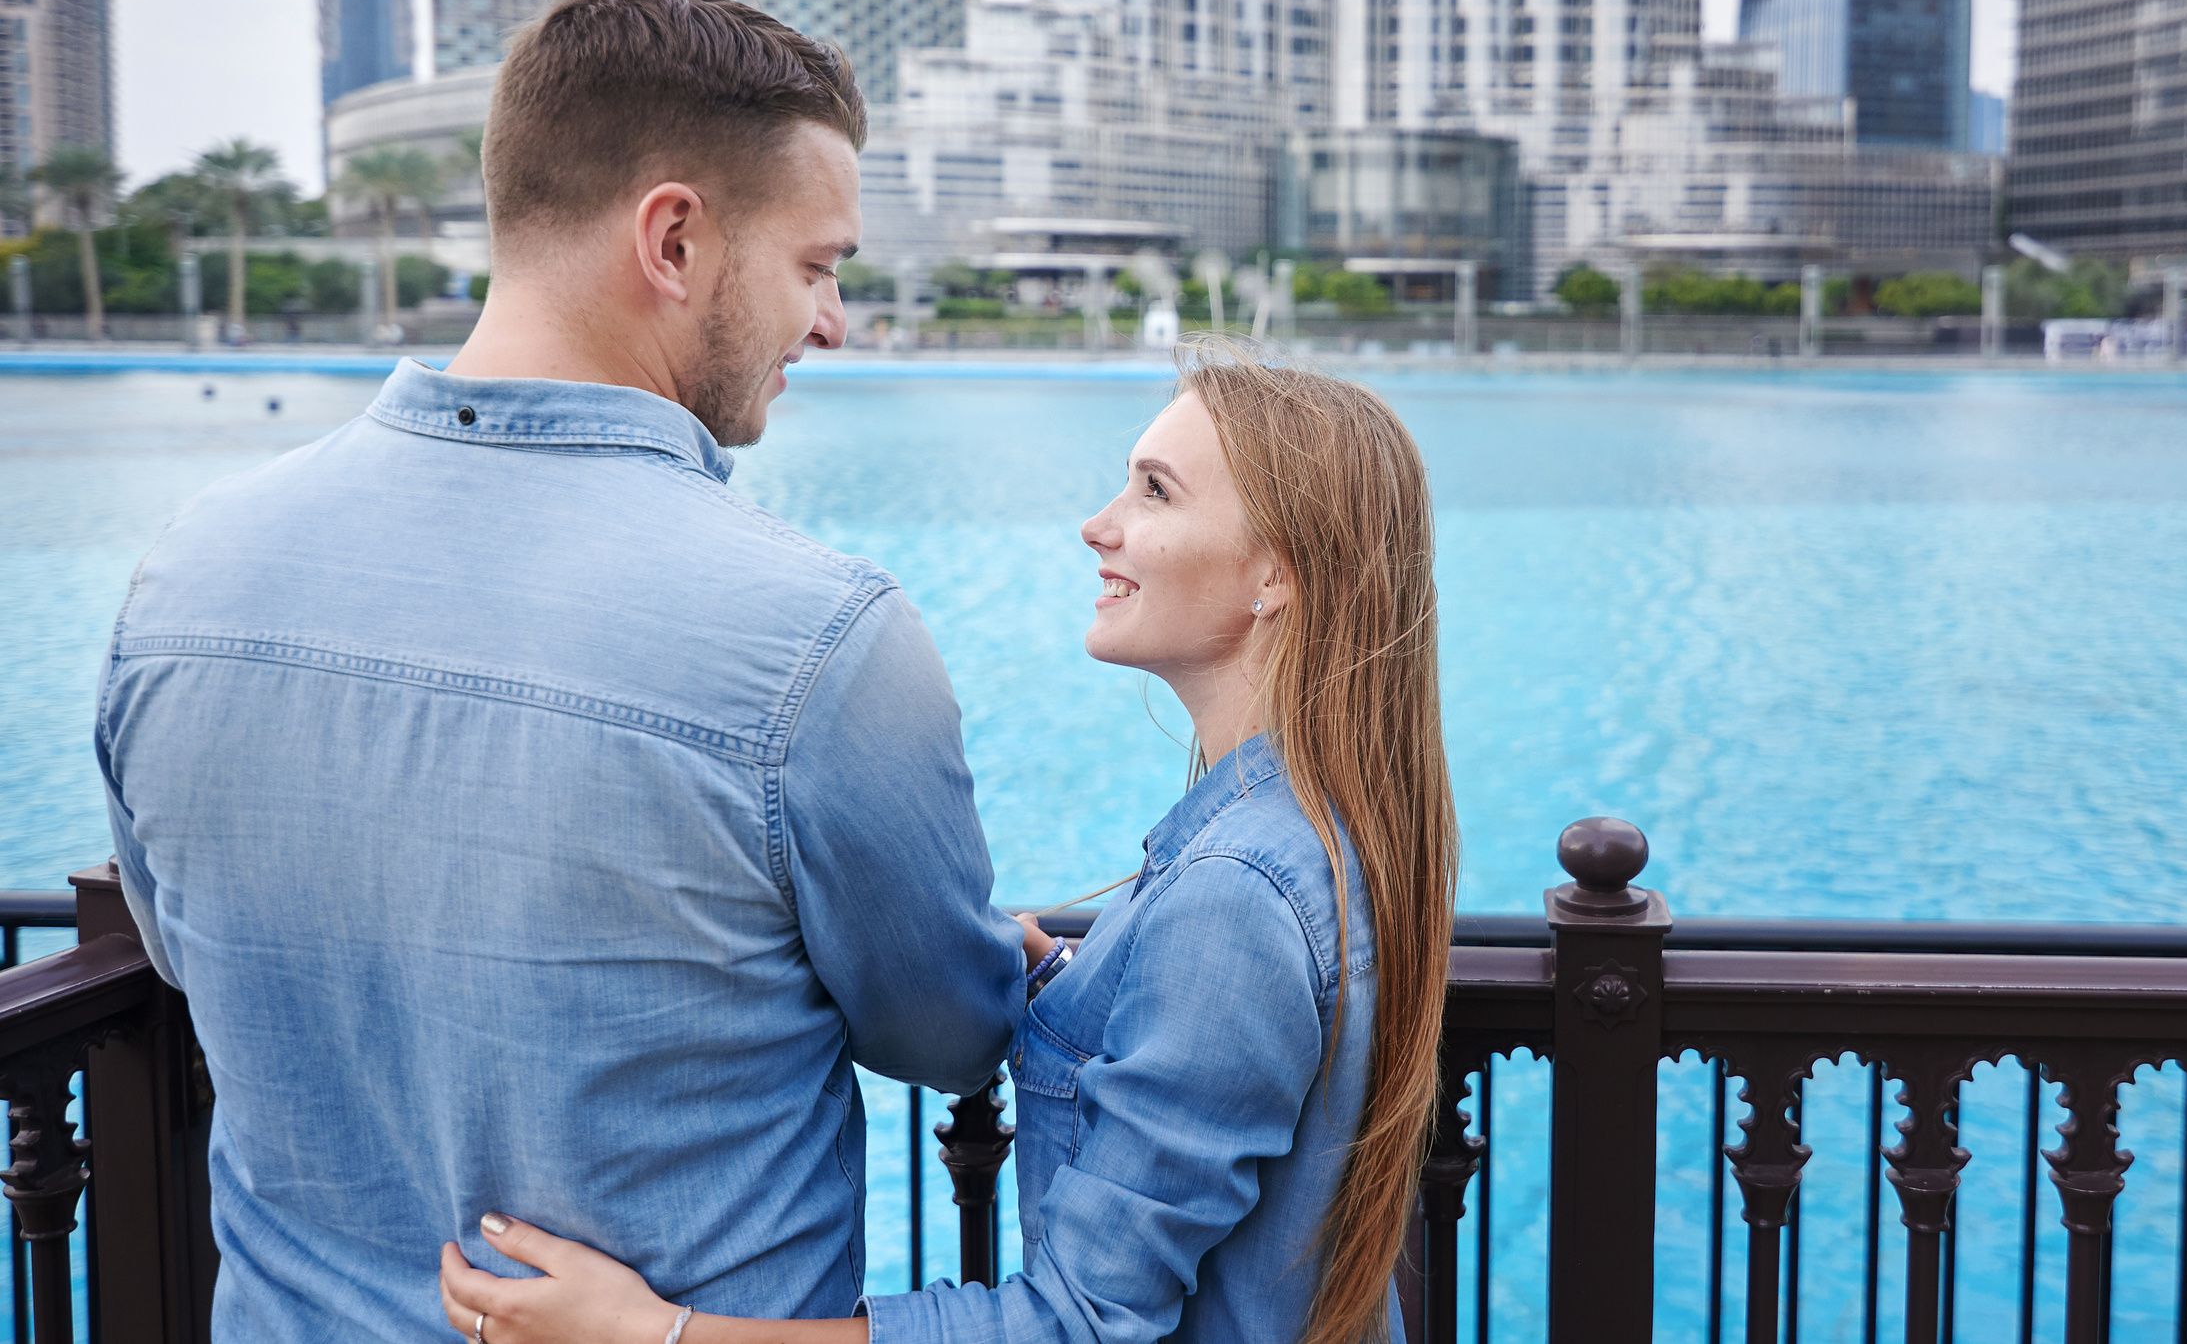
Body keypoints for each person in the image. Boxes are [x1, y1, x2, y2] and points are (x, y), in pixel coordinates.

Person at [95, 0, 1025, 1341]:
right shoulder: (818, 643)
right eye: (818, 267)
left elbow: (177, 949)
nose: (832, 321)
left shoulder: (182, 577)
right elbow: (946, 1032)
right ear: (674, 241)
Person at [436, 347, 1459, 1344]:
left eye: (1154, 491)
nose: (1097, 524)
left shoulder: (1235, 890)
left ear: (1276, 569)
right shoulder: (1293, 832)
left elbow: (1077, 1322)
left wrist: (659, 1331)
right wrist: (1063, 976)